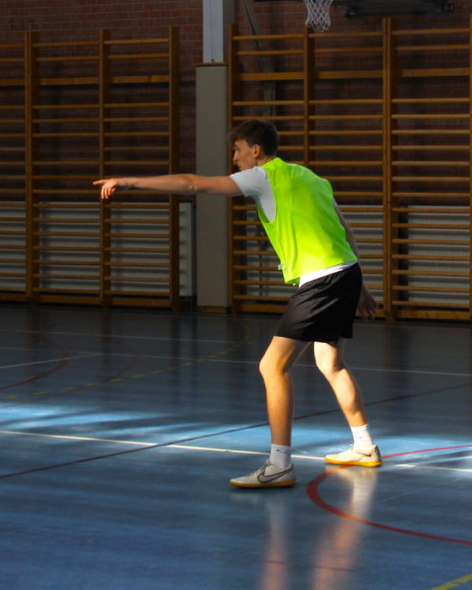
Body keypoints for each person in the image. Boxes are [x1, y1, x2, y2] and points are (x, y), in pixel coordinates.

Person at [95, 119, 381, 488]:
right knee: (330, 362)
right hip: (346, 273)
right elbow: (346, 231)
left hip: (322, 279)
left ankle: (279, 464)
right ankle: (364, 446)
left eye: (237, 150)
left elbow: (193, 183)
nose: (234, 159)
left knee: (272, 367)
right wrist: (360, 286)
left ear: (255, 151)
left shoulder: (262, 176)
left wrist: (130, 181)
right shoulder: (310, 177)